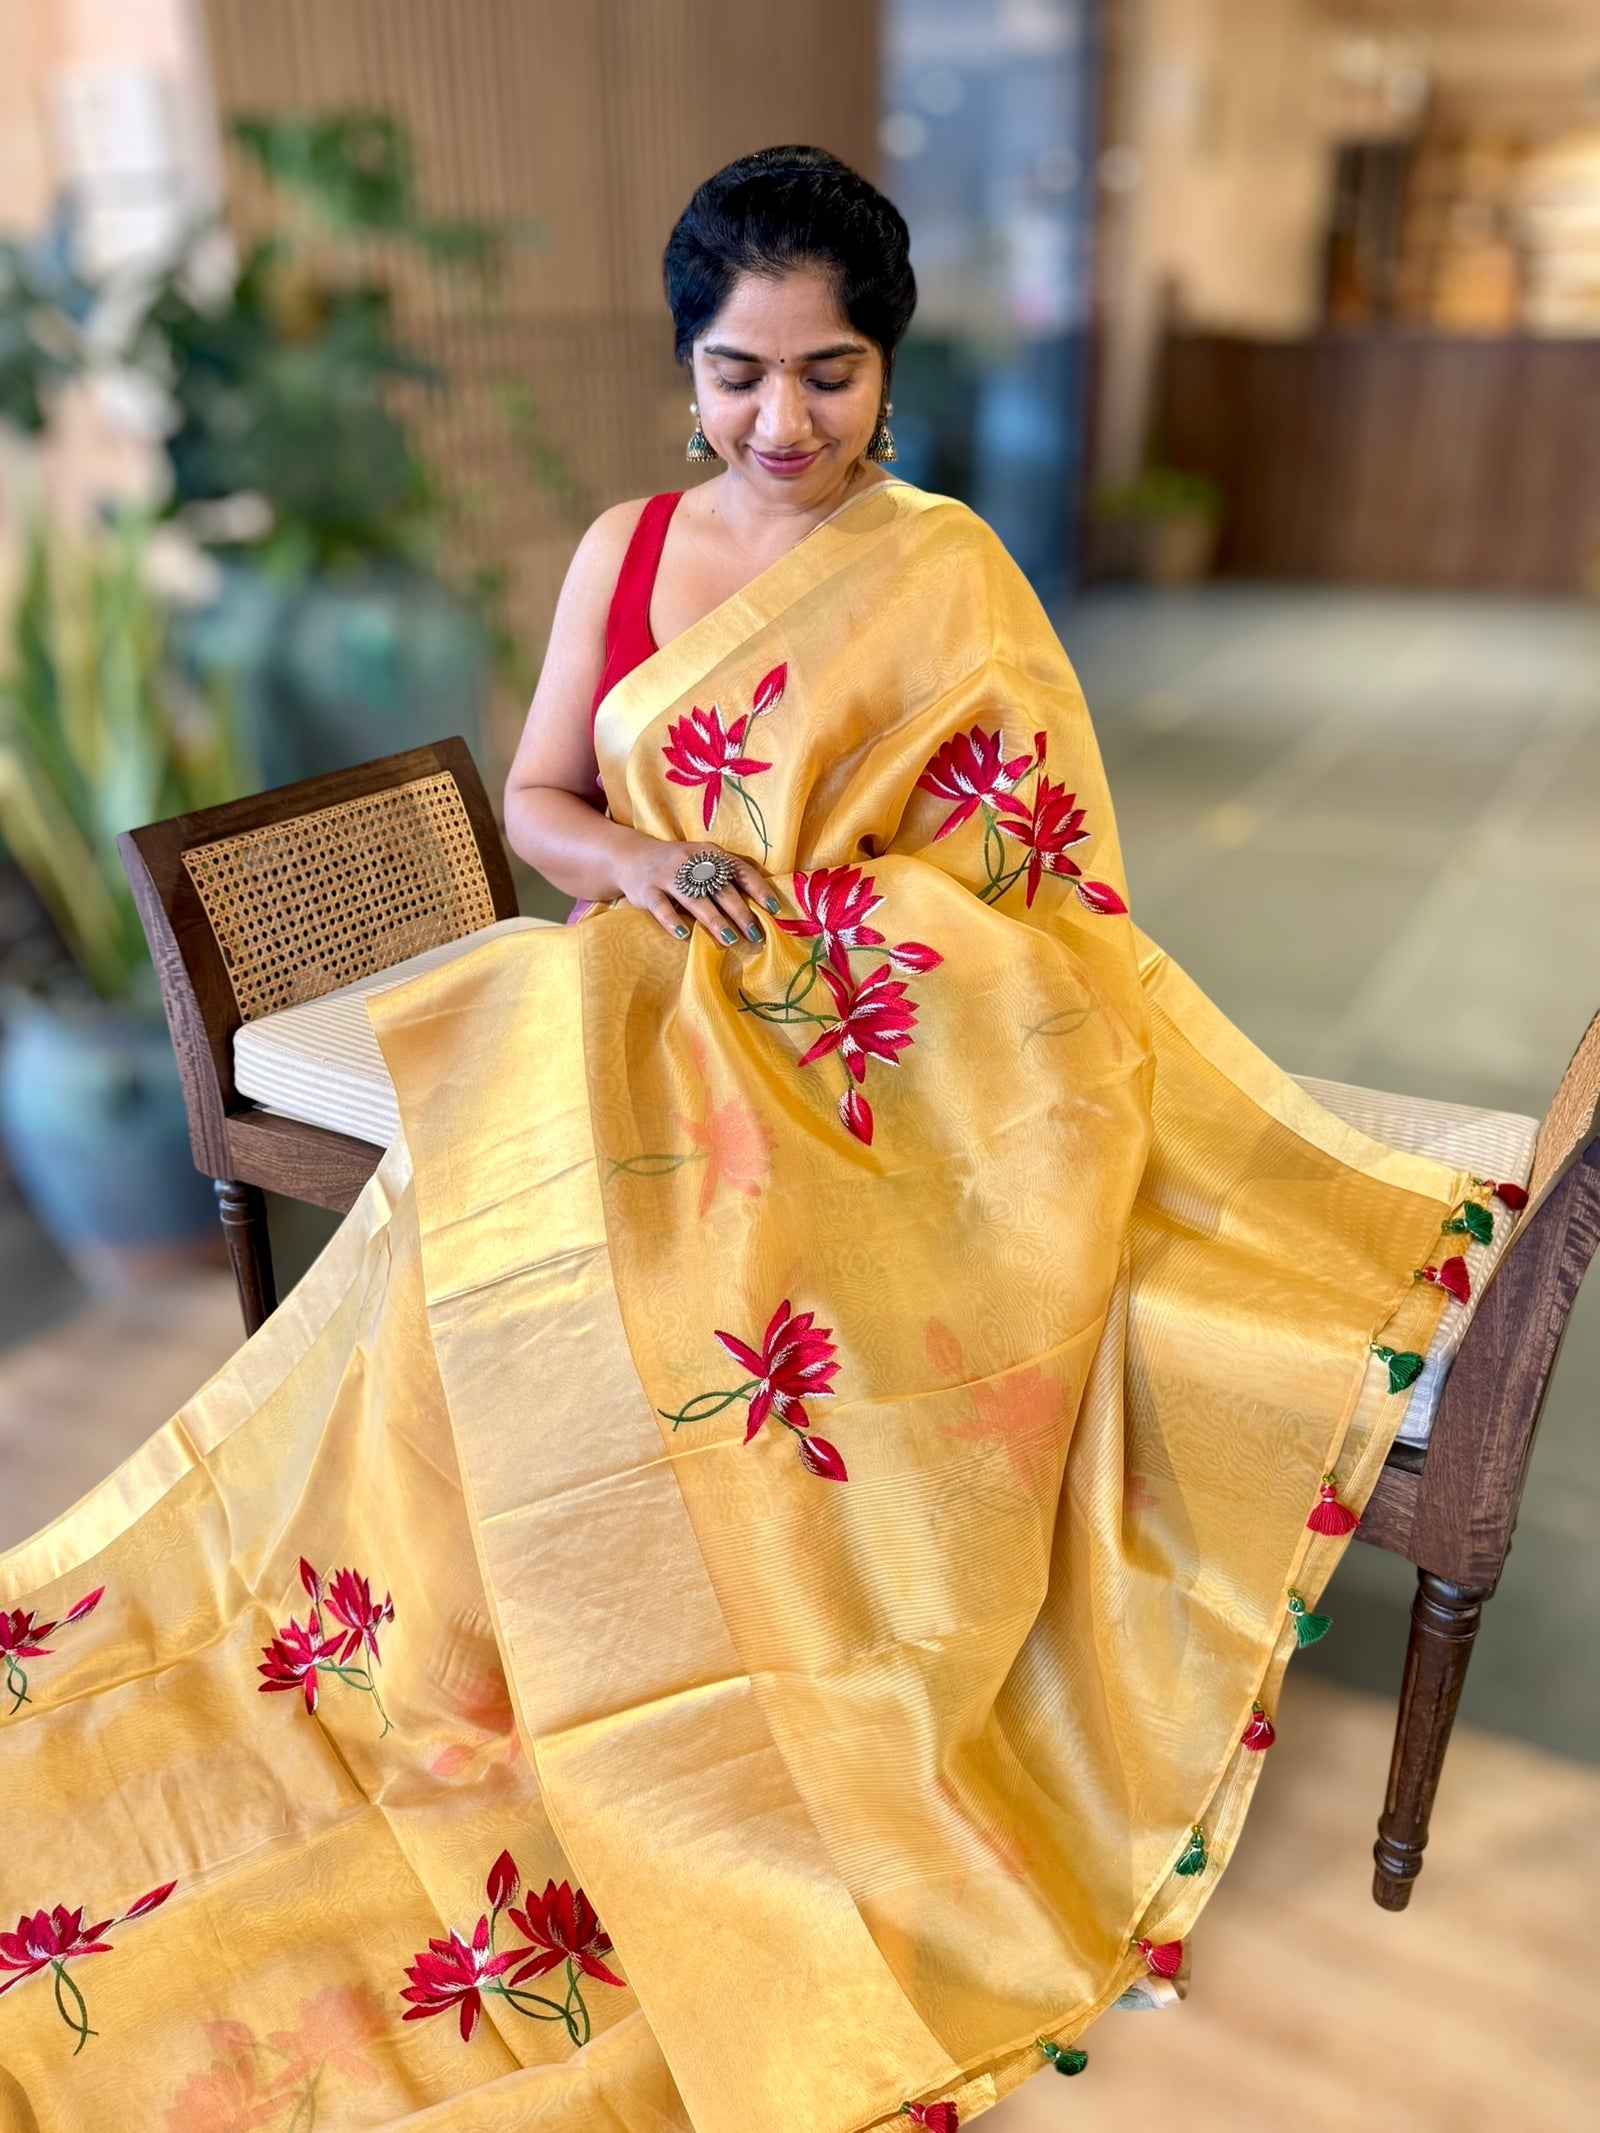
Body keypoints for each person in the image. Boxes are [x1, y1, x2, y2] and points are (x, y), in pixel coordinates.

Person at [0, 149, 1474, 2132]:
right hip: (638, 1001)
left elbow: (1041, 887)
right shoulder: (621, 549)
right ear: (681, 368)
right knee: (509, 1240)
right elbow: (536, 794)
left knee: (765, 1329)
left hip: (872, 1047)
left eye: (828, 373)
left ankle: (791, 1716)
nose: (779, 423)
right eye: (735, 372)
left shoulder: (946, 572)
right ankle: (495, 1657)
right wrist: (647, 863)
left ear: (890, 369)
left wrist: (852, 941)